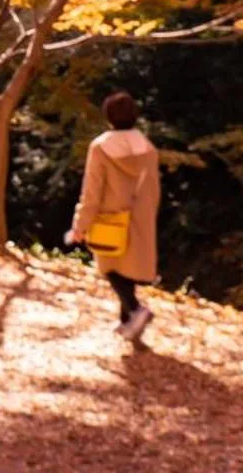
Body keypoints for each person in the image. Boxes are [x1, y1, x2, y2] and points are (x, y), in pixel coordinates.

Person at [67, 90, 162, 342]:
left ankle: (135, 310)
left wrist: (80, 225)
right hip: (139, 215)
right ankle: (128, 324)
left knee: (110, 268)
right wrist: (149, 213)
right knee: (126, 268)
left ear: (109, 117)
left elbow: (92, 191)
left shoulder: (100, 147)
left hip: (109, 217)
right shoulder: (147, 148)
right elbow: (153, 187)